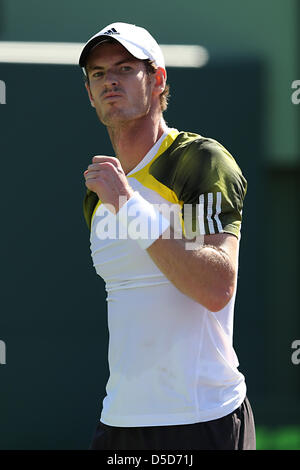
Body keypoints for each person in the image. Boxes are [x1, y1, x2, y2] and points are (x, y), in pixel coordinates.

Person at [79, 22, 256, 450]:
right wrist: (121, 199)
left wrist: (129, 205)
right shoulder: (99, 193)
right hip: (118, 422)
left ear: (157, 80)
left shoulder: (198, 162)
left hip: (202, 421)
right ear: (89, 92)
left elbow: (215, 286)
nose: (110, 81)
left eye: (124, 68)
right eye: (98, 74)